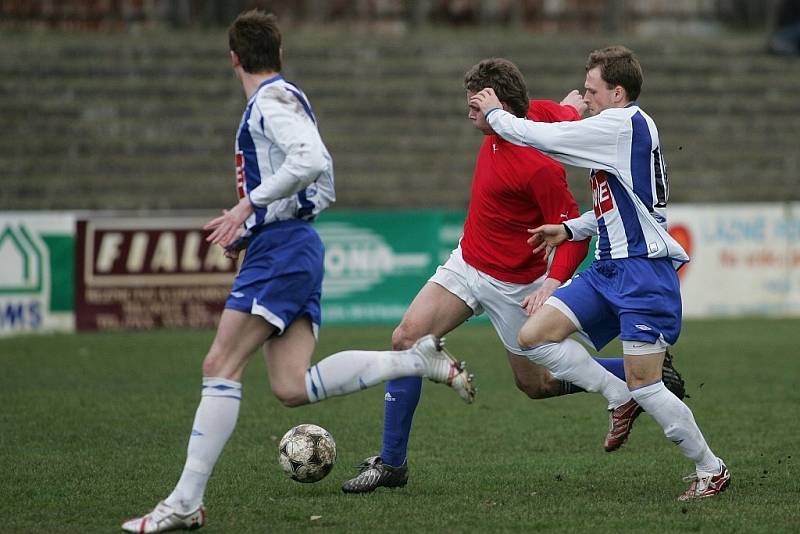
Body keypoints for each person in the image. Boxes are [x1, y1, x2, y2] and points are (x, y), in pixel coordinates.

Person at [121, 10, 475, 533]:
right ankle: (417, 362)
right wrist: (255, 222)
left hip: (283, 250)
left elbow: (310, 160)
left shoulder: (268, 101)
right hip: (291, 243)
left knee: (220, 364)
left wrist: (248, 209)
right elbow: (322, 184)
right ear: (279, 54)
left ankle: (185, 502)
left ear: (234, 58)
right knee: (290, 386)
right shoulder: (289, 98)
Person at [341, 58, 686, 494]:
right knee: (406, 337)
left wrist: (550, 282)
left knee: (535, 385)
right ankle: (392, 464)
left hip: (515, 286)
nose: (470, 113)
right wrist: (573, 108)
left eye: (476, 105)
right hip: (467, 264)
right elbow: (561, 113)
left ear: (500, 107)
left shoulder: (541, 168)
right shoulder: (537, 113)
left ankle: (642, 376)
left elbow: (574, 233)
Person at [470, 45, 730, 501]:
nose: (584, 98)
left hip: (642, 276)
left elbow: (541, 139)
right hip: (608, 268)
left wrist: (496, 114)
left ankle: (711, 469)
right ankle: (618, 394)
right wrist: (571, 227)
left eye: (591, 91)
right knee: (534, 336)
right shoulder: (620, 131)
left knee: (647, 384)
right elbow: (620, 207)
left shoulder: (622, 123)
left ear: (617, 92)